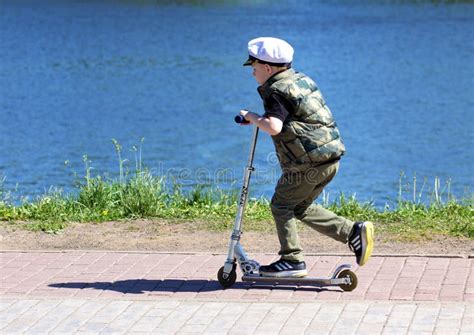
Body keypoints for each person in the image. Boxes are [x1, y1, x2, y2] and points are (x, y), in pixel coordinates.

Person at [239, 37, 374, 278]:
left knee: (281, 205)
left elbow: (273, 126)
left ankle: (291, 260)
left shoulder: (275, 90)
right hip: (329, 159)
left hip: (308, 164)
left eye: (254, 67)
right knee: (299, 207)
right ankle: (353, 232)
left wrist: (253, 117)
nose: (253, 73)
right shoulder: (301, 79)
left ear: (268, 68)